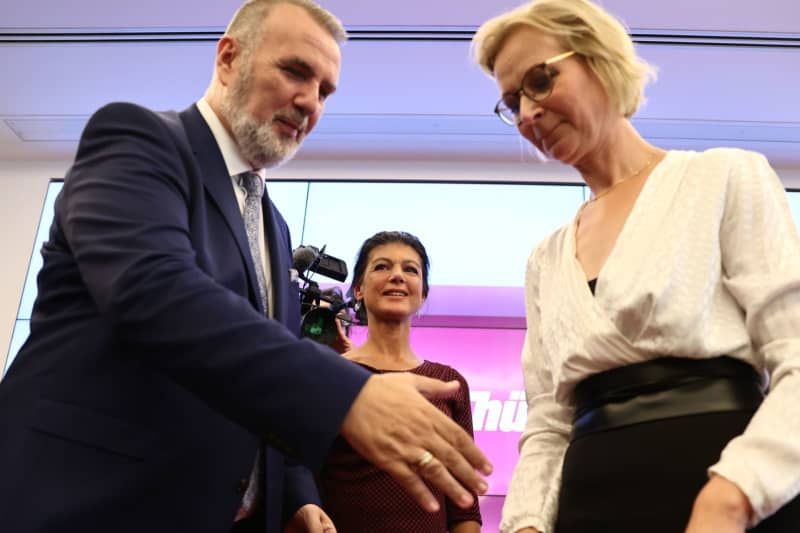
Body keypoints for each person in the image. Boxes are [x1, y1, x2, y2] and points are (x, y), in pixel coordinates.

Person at [0, 1, 492, 532]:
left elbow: (253, 383)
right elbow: (153, 291)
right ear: (229, 58)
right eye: (296, 71)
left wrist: (295, 496)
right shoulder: (140, 139)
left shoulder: (273, 225)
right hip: (90, 504)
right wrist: (346, 393)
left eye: (325, 91)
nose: (309, 102)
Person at [470, 1, 800, 532]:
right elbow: (550, 421)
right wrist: (526, 524)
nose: (528, 113)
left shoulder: (724, 177)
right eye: (512, 101)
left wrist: (735, 494)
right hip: (591, 502)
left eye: (539, 80)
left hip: (724, 490)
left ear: (598, 59)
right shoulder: (547, 258)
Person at [317, 231, 482, 532]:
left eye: (410, 269)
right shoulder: (328, 376)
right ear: (358, 289)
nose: (397, 276)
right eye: (382, 267)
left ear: (424, 293)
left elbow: (464, 507)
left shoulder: (448, 382)